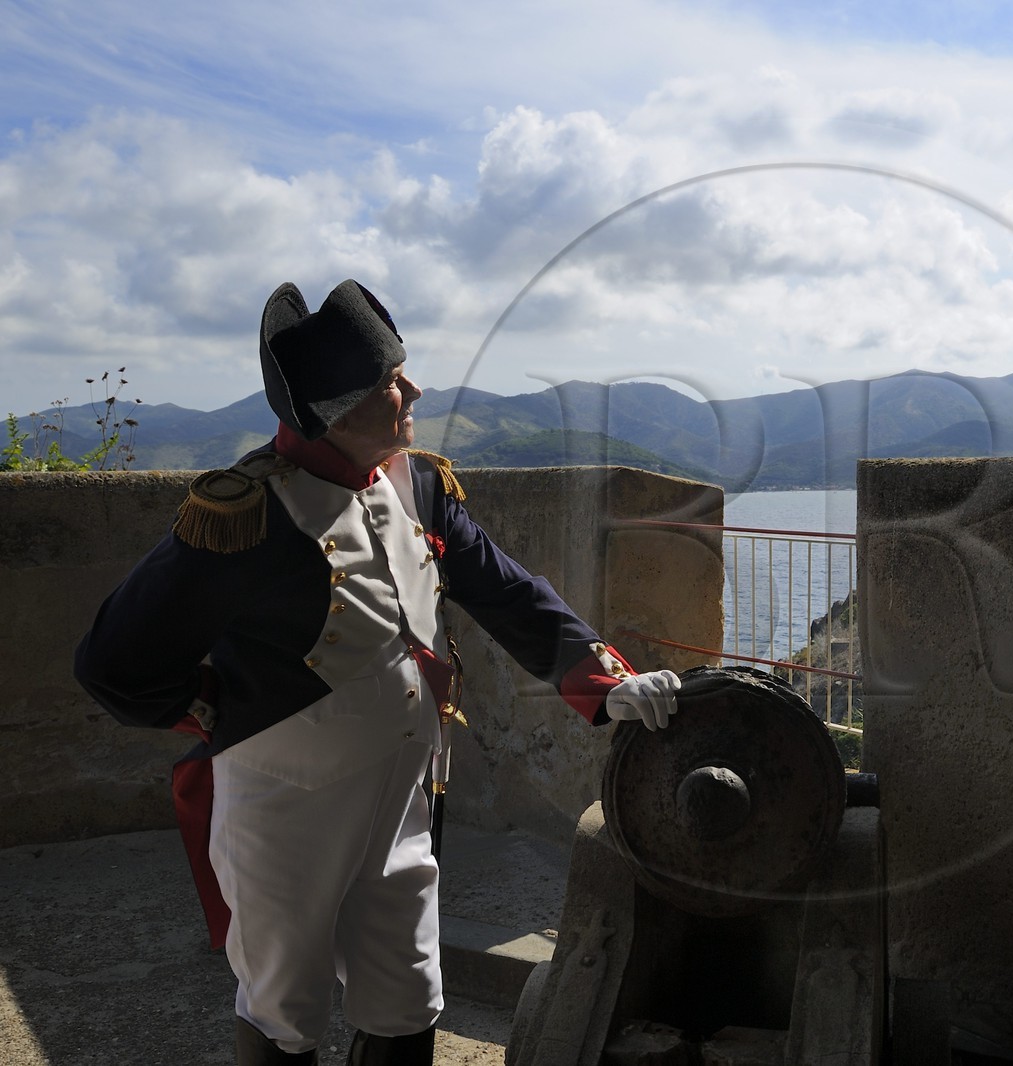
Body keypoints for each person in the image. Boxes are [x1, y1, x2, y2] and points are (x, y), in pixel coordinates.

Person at [74, 279, 681, 1066]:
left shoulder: (419, 485)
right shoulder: (247, 514)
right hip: (285, 811)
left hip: (405, 800)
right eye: (392, 380)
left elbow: (508, 591)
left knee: (408, 996)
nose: (414, 388)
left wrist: (604, 683)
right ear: (337, 408)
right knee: (282, 1006)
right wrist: (220, 711)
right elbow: (114, 660)